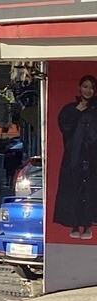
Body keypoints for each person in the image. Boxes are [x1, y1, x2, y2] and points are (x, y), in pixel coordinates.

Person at [53, 74, 97, 239]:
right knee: (73, 190)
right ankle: (73, 224)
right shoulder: (69, 109)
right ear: (79, 88)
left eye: (91, 87)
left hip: (93, 157)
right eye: (85, 86)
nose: (88, 90)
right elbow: (65, 128)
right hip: (74, 156)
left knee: (90, 190)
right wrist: (76, 113)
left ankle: (87, 225)